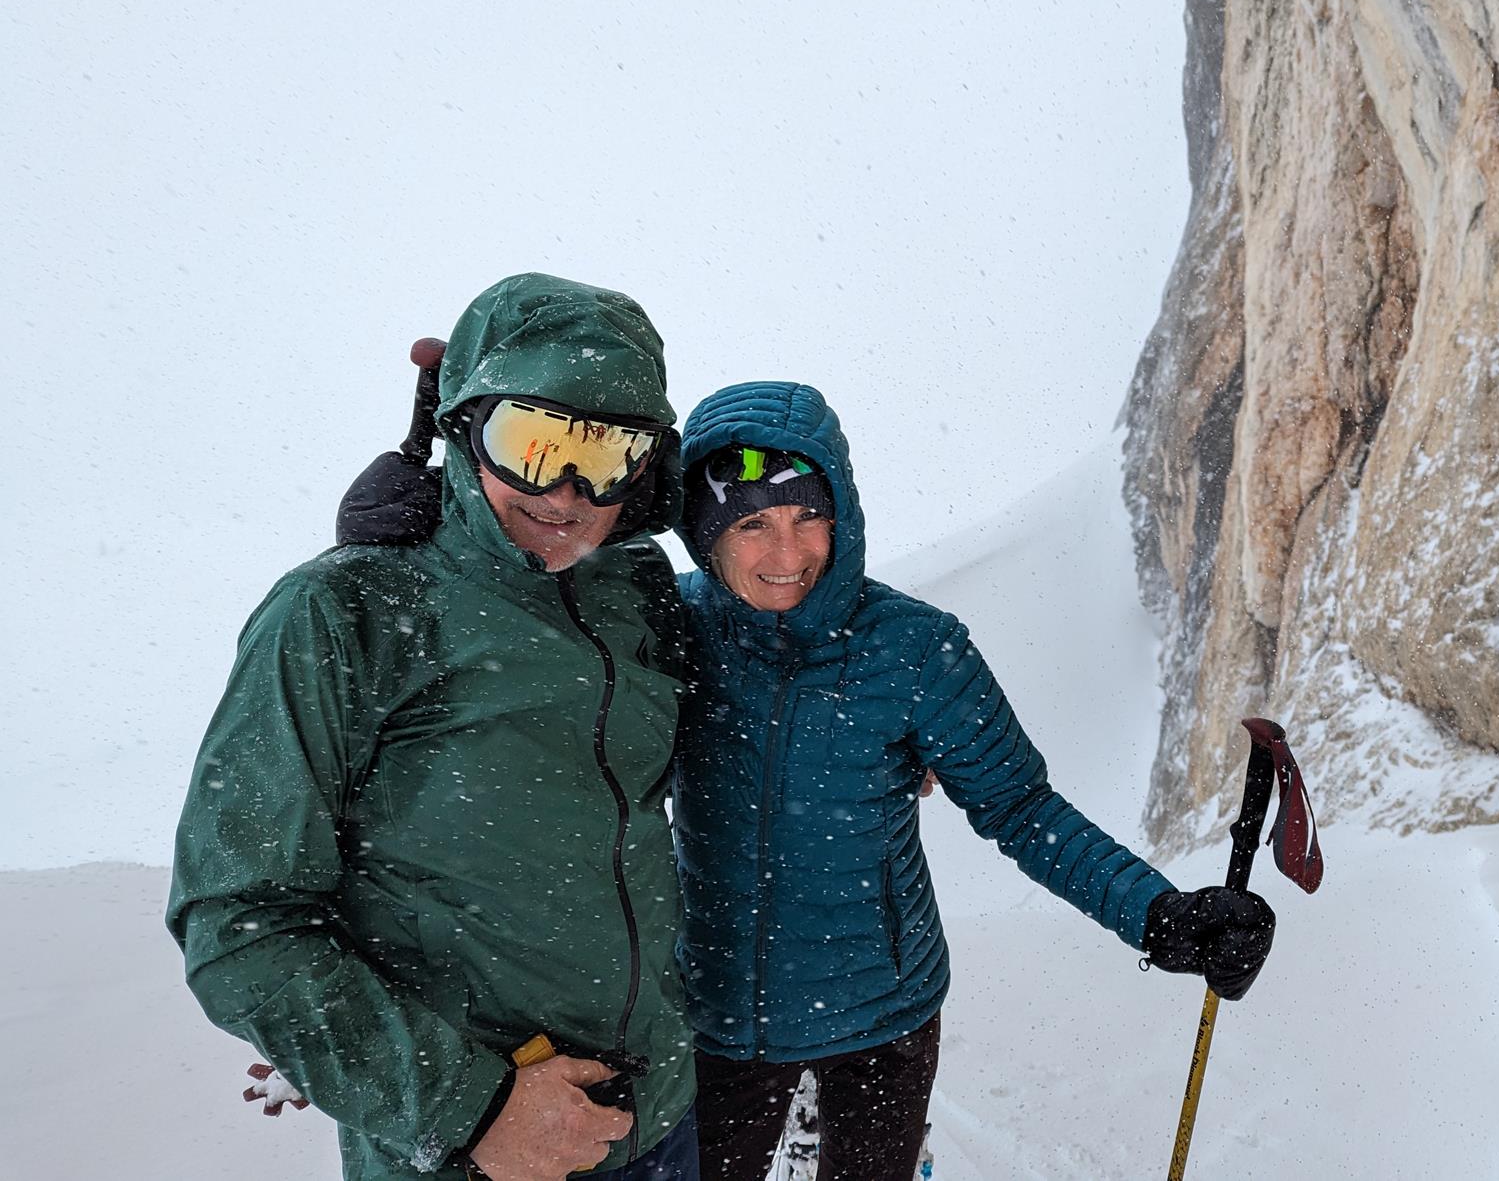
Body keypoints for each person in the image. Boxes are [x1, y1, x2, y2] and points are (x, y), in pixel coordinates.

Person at [168, 273, 701, 1181]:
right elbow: (239, 920)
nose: (567, 490)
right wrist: (470, 1106)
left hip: (660, 1120)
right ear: (463, 426)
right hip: (476, 1153)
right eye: (532, 442)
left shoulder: (637, 586)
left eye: (608, 453)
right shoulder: (345, 610)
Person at [671, 382, 1275, 1180]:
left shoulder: (915, 649)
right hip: (712, 1016)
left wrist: (1158, 913)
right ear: (704, 533)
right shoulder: (666, 629)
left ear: (840, 514)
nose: (787, 556)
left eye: (806, 517)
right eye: (751, 524)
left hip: (881, 1019)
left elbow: (1019, 805)